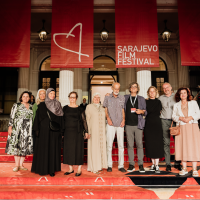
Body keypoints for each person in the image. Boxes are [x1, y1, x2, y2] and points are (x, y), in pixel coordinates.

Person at [31, 88, 64, 177]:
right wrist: (36, 130)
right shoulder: (42, 105)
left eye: (54, 94)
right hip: (43, 132)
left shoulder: (58, 104)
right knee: (44, 150)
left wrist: (61, 131)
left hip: (54, 132)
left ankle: (52, 170)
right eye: (50, 94)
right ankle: (43, 168)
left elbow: (61, 118)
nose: (52, 95)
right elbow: (37, 118)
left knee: (53, 150)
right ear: (48, 95)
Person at [172, 87, 200, 176]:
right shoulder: (176, 105)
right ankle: (184, 168)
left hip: (193, 126)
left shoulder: (193, 103)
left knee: (194, 146)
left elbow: (198, 114)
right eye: (181, 93)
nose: (183, 94)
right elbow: (173, 116)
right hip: (181, 127)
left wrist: (190, 118)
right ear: (179, 95)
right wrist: (180, 118)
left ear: (188, 94)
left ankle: (194, 169)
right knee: (181, 146)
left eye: (184, 93)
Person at [5, 91, 33, 172]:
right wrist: (10, 127)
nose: (25, 98)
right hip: (17, 129)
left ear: (29, 98)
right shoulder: (16, 105)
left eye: (27, 96)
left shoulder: (31, 107)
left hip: (27, 130)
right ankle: (16, 165)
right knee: (16, 147)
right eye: (24, 96)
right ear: (21, 97)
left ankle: (21, 165)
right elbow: (11, 117)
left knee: (24, 147)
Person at [63, 91, 89, 176]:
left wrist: (86, 131)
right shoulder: (65, 108)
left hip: (78, 131)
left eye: (74, 97)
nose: (72, 99)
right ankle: (70, 169)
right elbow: (62, 120)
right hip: (68, 132)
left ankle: (79, 169)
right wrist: (62, 132)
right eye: (71, 97)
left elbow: (84, 120)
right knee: (69, 150)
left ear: (76, 98)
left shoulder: (80, 108)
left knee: (79, 150)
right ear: (69, 98)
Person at [103, 82, 126, 173]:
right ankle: (109, 165)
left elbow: (122, 109)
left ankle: (121, 165)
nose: (116, 90)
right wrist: (108, 118)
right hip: (110, 124)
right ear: (112, 88)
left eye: (118, 88)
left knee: (121, 146)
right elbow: (105, 109)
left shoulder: (122, 98)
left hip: (120, 124)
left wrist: (124, 120)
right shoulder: (107, 97)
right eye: (115, 88)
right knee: (109, 145)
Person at [124, 82, 147, 173]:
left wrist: (141, 111)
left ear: (137, 89)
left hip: (138, 125)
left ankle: (140, 164)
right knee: (130, 145)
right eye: (132, 87)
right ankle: (131, 164)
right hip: (128, 125)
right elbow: (116, 97)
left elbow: (145, 112)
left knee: (139, 144)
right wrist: (108, 95)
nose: (133, 88)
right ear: (129, 89)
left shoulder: (141, 99)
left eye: (135, 87)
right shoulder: (125, 97)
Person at [158, 82, 181, 171]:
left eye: (167, 87)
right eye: (164, 88)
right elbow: (158, 109)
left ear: (171, 88)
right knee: (166, 143)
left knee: (177, 142)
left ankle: (177, 163)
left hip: (175, 122)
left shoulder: (176, 97)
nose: (166, 89)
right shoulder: (160, 98)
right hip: (164, 121)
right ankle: (168, 164)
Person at [85, 93, 107, 174]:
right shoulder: (89, 106)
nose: (97, 99)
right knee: (94, 148)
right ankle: (94, 166)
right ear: (92, 98)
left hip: (102, 131)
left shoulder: (103, 107)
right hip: (93, 131)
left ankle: (100, 165)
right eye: (95, 97)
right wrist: (88, 131)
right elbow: (87, 119)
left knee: (101, 147)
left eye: (98, 97)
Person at [144, 86, 164, 173]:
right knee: (150, 144)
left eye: (153, 91)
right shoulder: (145, 102)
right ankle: (153, 164)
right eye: (150, 91)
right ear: (148, 93)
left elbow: (157, 111)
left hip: (157, 124)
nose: (152, 93)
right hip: (148, 124)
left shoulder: (159, 102)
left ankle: (157, 165)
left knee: (157, 144)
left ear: (156, 92)